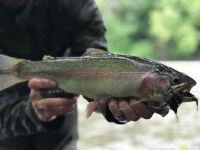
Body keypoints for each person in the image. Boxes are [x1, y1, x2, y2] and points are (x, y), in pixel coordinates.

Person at [0, 0, 168, 150]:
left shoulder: (77, 5)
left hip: (62, 113)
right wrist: (33, 112)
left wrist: (114, 110)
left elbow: (98, 75)